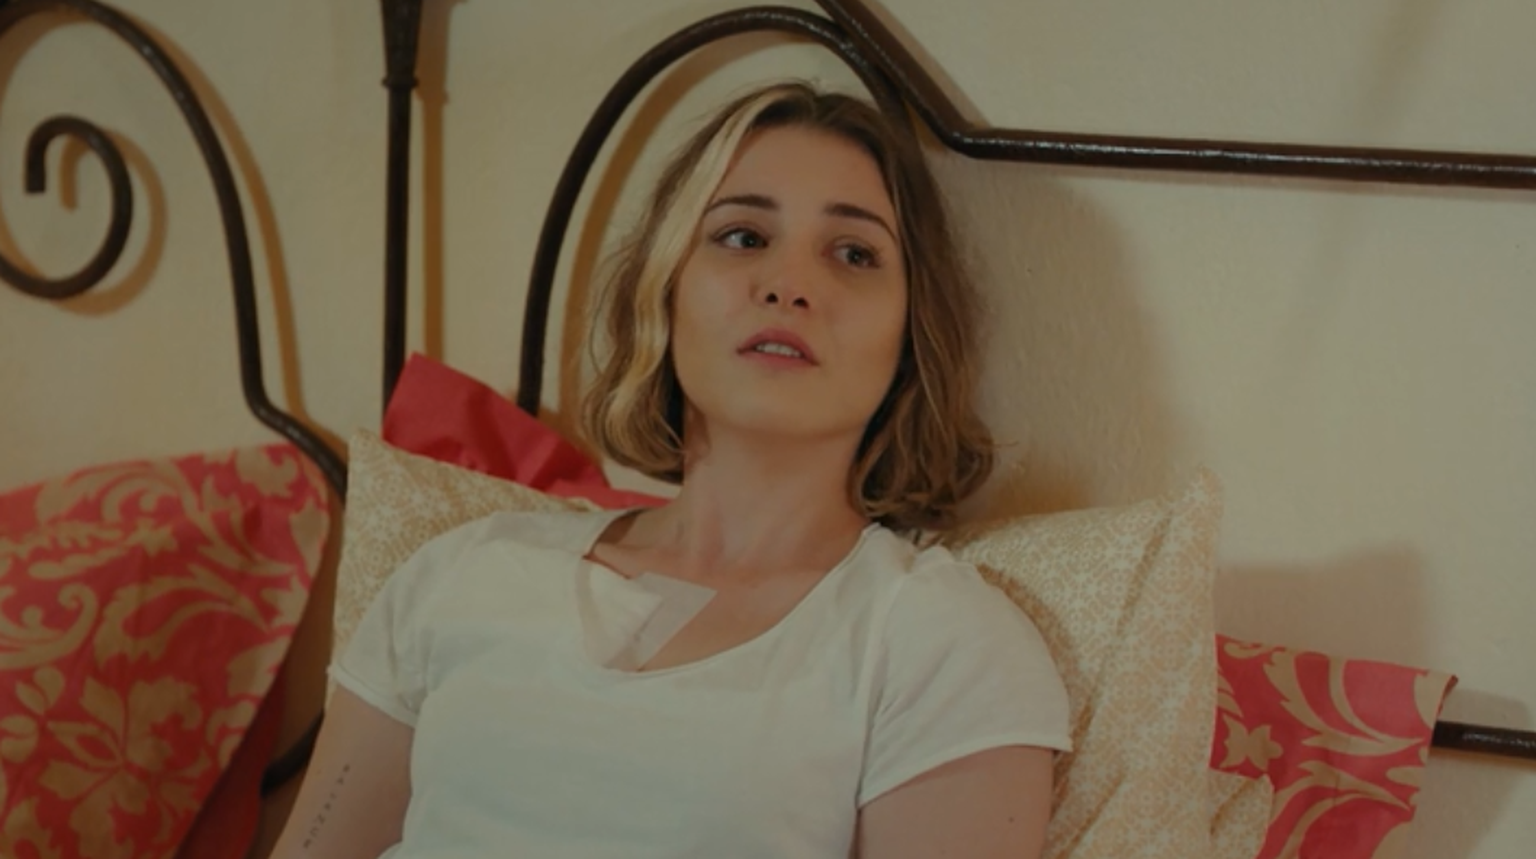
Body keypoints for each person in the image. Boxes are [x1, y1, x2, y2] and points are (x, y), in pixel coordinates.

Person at [271, 81, 1070, 859]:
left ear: (910, 334)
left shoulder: (938, 642)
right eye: (743, 237)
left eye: (854, 253)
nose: (789, 285)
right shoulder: (462, 571)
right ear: (664, 289)